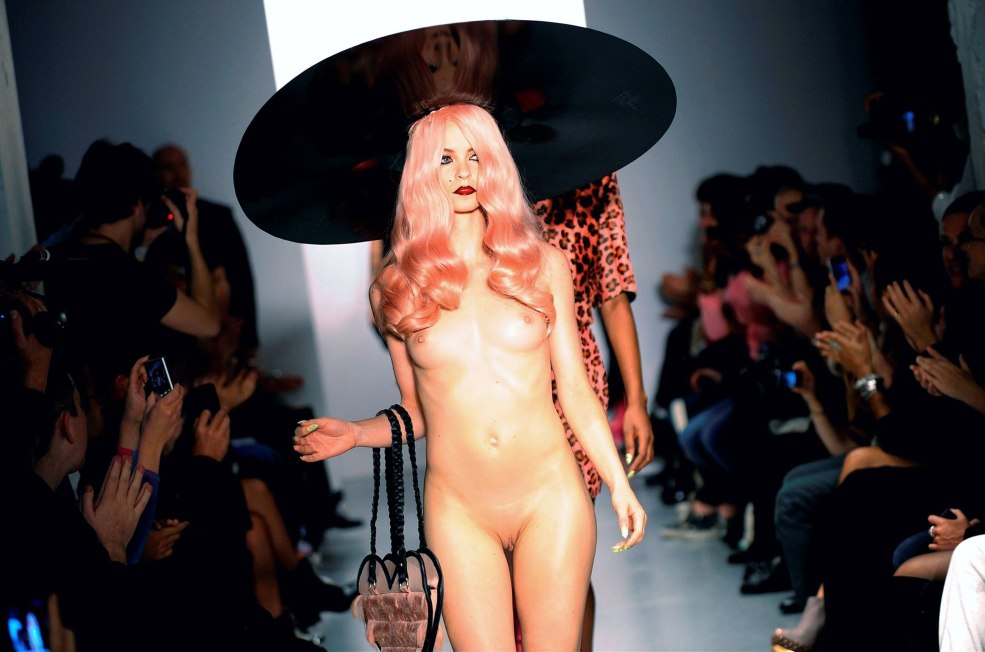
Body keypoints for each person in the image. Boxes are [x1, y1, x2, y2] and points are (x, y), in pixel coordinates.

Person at [293, 102, 646, 650]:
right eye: (445, 158)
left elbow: (576, 393)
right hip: (459, 510)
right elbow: (417, 411)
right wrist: (357, 433)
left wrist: (619, 484)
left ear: (495, 164)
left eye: (475, 156)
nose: (462, 171)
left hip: (550, 494)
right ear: (421, 171)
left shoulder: (543, 264)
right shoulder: (396, 288)